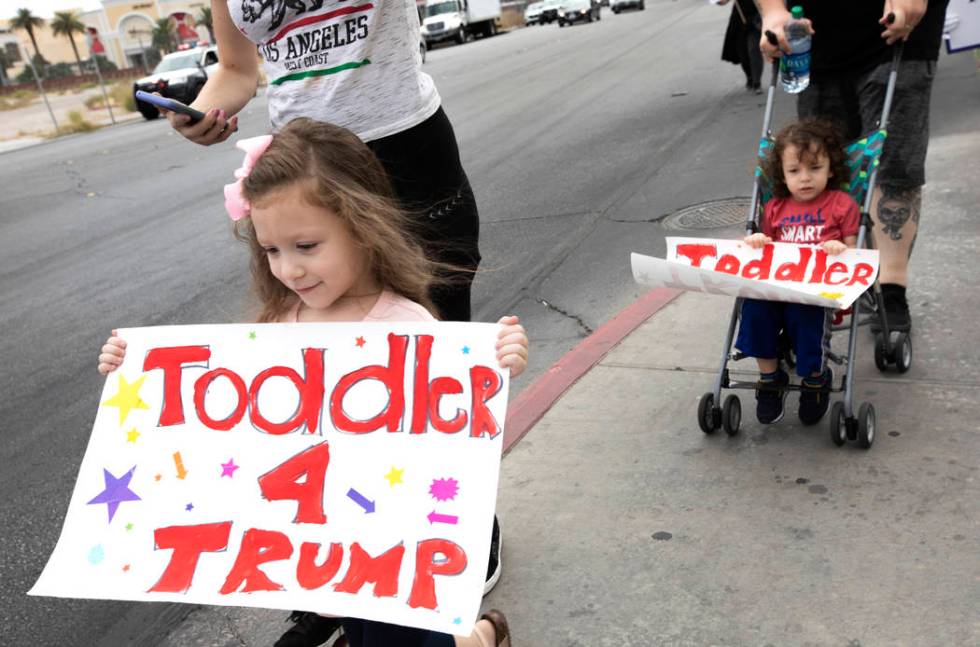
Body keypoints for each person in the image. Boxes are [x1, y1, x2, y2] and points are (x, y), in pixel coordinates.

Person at [97, 118, 523, 647]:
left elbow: (453, 421)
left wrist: (496, 361)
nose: (290, 270)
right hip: (326, 545)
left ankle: (479, 636)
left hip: (392, 539)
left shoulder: (407, 326)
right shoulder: (278, 327)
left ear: (363, 227)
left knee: (400, 641)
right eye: (273, 251)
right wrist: (131, 369)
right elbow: (215, 408)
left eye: (305, 245)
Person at [161, 2, 495, 641]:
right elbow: (237, 69)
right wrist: (207, 109)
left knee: (431, 376)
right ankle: (332, 575)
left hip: (406, 149)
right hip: (301, 167)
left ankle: (458, 531)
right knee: (313, 386)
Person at [756, 0, 951, 333]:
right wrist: (772, 10)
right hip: (811, 43)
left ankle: (891, 288)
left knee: (893, 166)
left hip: (897, 35)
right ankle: (848, 276)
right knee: (821, 173)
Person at [737, 118, 859, 425]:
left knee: (807, 317)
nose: (805, 178)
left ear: (831, 169)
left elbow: (854, 254)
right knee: (753, 307)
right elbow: (767, 252)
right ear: (783, 174)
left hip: (817, 290)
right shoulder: (776, 207)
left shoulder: (841, 204)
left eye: (814, 168)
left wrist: (839, 248)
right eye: (795, 171)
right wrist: (757, 241)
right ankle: (770, 377)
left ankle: (815, 378)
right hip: (778, 286)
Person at [718, 0, 764, 93]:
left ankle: (757, 82)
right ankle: (750, 77)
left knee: (754, 50)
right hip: (739, 20)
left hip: (755, 19)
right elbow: (722, 2)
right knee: (743, 54)